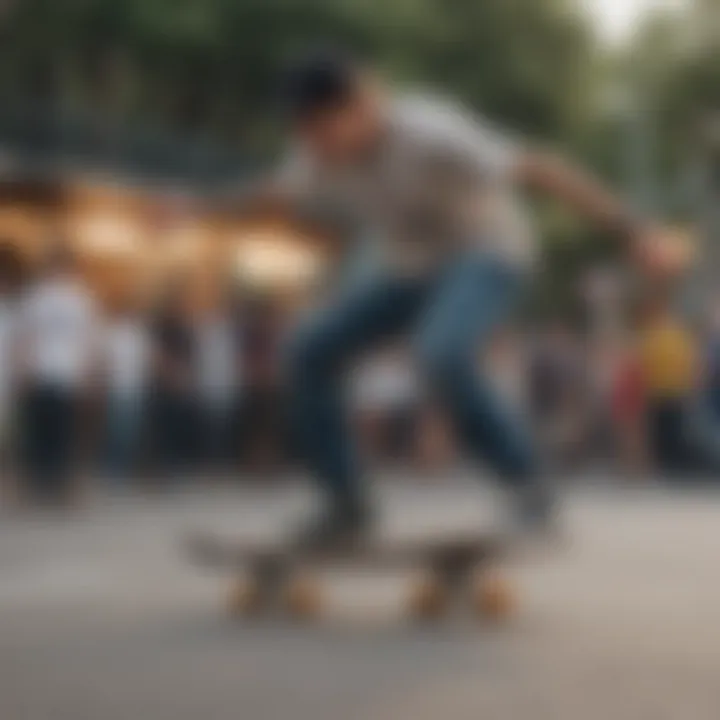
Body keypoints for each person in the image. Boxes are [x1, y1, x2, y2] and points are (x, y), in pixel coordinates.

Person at [233, 50, 685, 546]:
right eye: (304, 134)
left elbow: (542, 169)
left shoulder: (430, 129)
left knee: (442, 353)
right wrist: (183, 209)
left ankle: (529, 486)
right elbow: (268, 198)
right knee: (307, 352)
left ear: (363, 104)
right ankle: (345, 506)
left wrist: (635, 232)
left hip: (486, 254)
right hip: (408, 272)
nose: (316, 146)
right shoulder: (313, 158)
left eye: (323, 130)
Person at [16, 244, 97, 503]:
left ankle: (58, 487)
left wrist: (86, 371)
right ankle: (43, 486)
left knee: (59, 434)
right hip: (47, 372)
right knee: (46, 433)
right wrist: (24, 370)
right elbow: (27, 337)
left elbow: (86, 338)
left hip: (63, 373)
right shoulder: (38, 297)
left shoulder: (77, 298)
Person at [102, 300, 150, 484]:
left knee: (131, 430)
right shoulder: (112, 333)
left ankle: (126, 466)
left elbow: (145, 361)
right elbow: (106, 361)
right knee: (116, 429)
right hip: (117, 388)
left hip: (135, 388)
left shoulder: (139, 334)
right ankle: (114, 467)